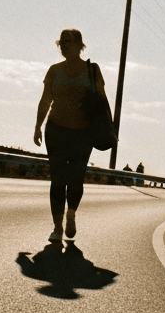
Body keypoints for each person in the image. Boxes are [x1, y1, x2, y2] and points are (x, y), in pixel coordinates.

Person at [34, 28, 114, 243]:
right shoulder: (54, 70)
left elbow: (102, 100)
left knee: (76, 178)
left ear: (80, 45)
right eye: (63, 42)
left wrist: (108, 128)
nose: (66, 45)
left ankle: (71, 215)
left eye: (70, 42)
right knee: (58, 178)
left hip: (83, 132)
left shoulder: (92, 70)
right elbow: (45, 100)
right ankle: (57, 227)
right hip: (56, 129)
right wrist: (37, 126)